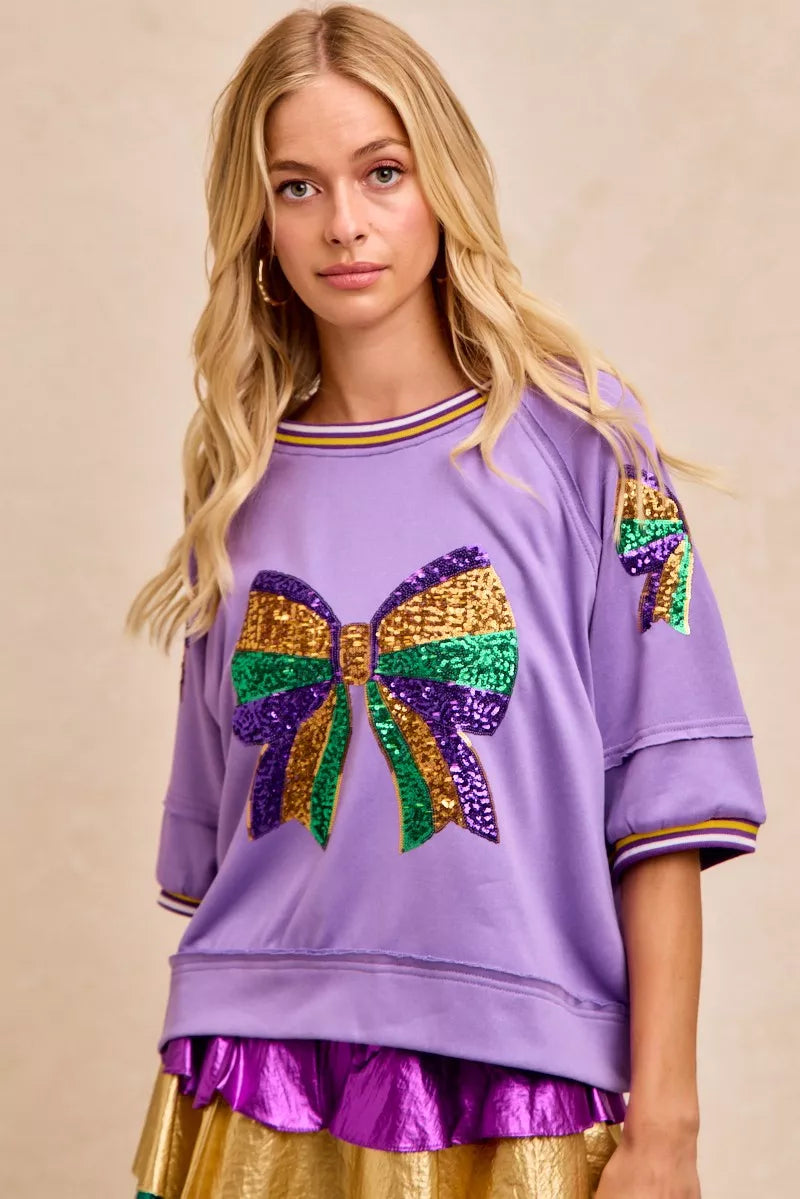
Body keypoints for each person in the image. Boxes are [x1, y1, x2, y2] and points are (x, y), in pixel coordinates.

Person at [125, 5, 767, 1197]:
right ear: (258, 220)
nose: (345, 222)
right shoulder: (238, 485)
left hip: (525, 1076)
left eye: (381, 171)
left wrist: (666, 1126)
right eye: (298, 186)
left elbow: (664, 799)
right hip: (253, 1078)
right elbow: (224, 853)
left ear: (442, 183)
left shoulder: (581, 441)